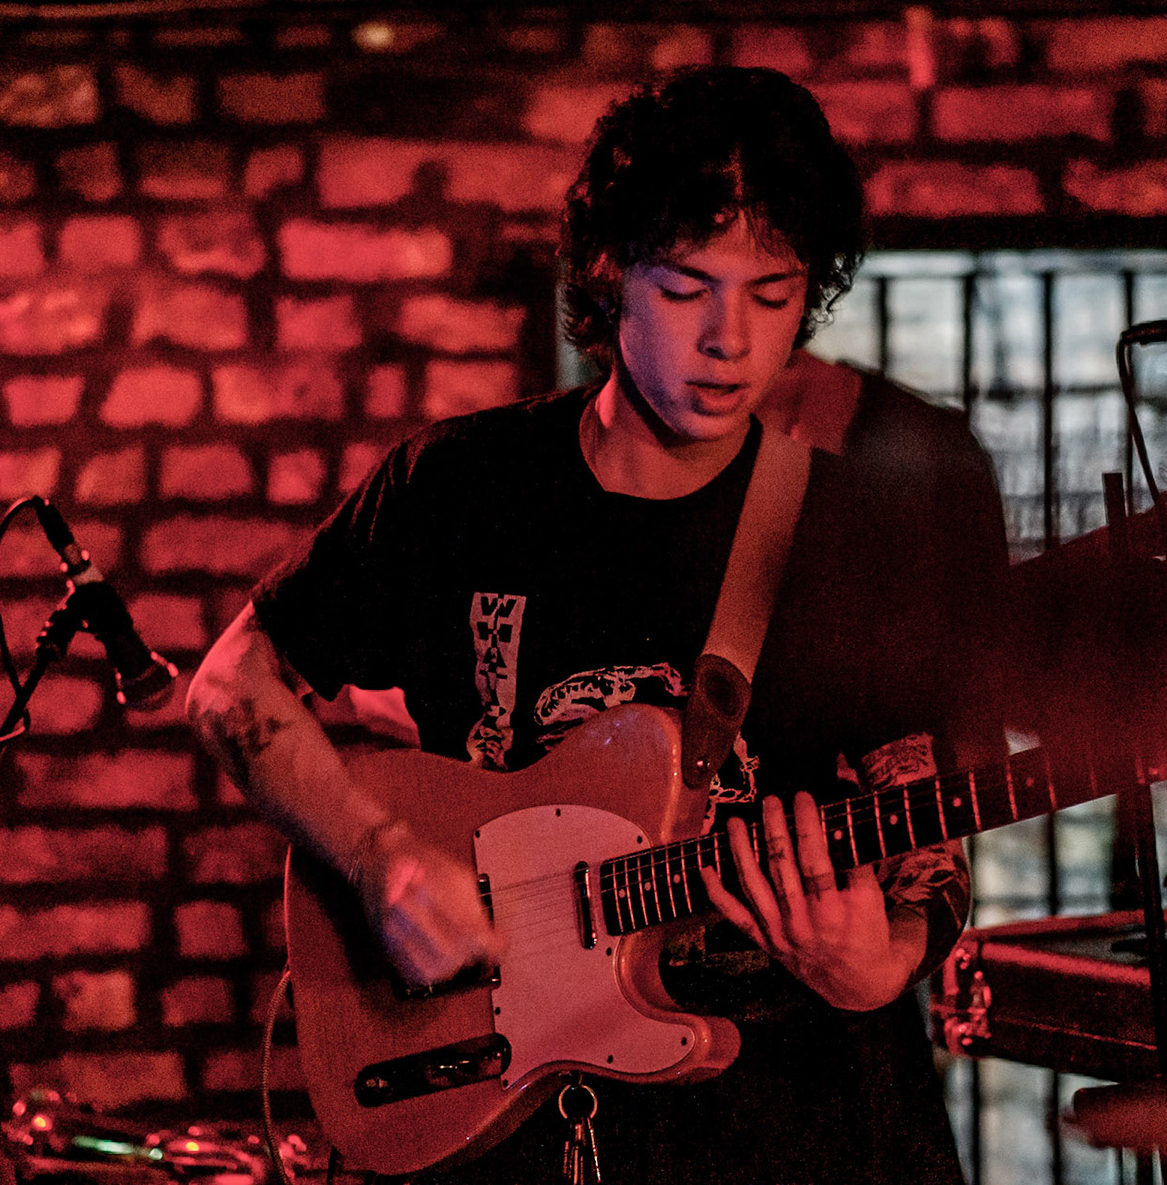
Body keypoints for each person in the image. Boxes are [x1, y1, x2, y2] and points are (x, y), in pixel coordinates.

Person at [188, 66, 1008, 1184]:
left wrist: (895, 950)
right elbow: (235, 681)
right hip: (506, 1117)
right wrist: (380, 860)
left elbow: (931, 774)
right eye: (686, 289)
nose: (731, 340)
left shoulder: (867, 515)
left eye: (773, 294)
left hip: (813, 1125)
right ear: (612, 270)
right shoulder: (461, 486)